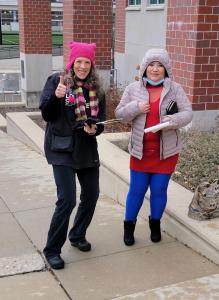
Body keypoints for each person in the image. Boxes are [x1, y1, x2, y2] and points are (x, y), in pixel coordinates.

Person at [115, 48, 193, 246]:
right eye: (151, 64)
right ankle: (128, 226)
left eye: (160, 65)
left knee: (159, 190)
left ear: (166, 68)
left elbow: (188, 113)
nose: (155, 69)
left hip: (165, 153)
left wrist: (173, 119)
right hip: (140, 152)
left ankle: (155, 223)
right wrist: (136, 107)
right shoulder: (133, 89)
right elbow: (120, 114)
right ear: (144, 67)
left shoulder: (175, 89)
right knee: (137, 190)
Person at [39, 41, 106, 269]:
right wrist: (56, 97)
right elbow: (47, 115)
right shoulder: (58, 82)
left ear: (91, 65)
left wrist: (94, 128)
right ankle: (52, 250)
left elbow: (101, 121)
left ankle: (77, 235)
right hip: (62, 148)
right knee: (67, 199)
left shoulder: (95, 88)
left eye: (87, 62)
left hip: (86, 148)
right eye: (79, 61)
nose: (83, 66)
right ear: (72, 62)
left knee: (92, 194)